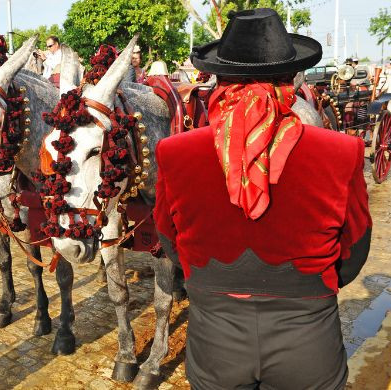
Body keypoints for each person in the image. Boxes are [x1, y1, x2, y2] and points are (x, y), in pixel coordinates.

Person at [154, 9, 371, 389]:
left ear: (219, 80)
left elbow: (170, 241)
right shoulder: (343, 151)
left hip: (215, 336)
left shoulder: (175, 153)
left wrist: (214, 280)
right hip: (308, 338)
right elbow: (353, 250)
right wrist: (308, 287)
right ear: (291, 78)